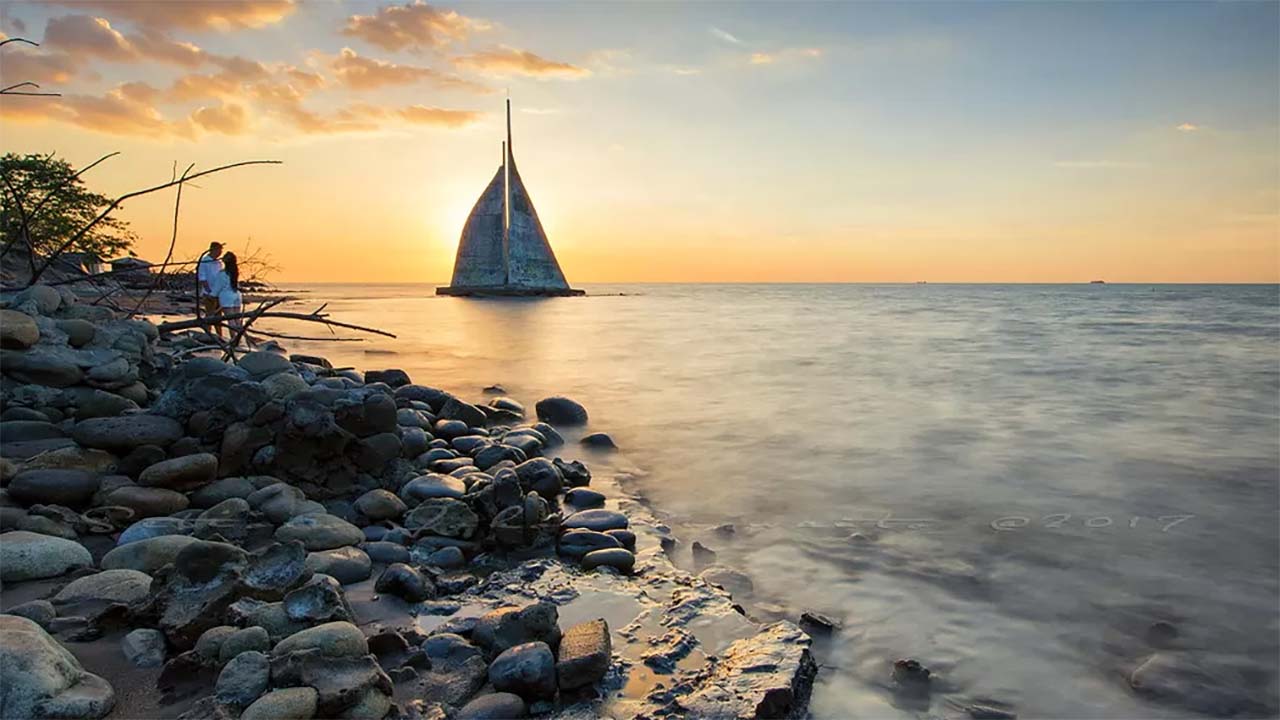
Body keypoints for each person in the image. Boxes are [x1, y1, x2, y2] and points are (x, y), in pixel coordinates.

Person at [197, 242, 224, 334]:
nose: (220, 253)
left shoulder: (218, 262)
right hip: (209, 293)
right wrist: (208, 290)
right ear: (213, 250)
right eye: (219, 250)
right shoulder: (205, 261)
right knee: (210, 314)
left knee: (218, 316)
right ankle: (207, 333)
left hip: (218, 292)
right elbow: (202, 277)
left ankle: (219, 334)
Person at [213, 251, 243, 333]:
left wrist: (212, 295)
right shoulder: (234, 272)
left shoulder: (223, 273)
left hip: (226, 297)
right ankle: (240, 336)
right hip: (236, 294)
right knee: (237, 319)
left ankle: (234, 338)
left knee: (230, 319)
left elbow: (217, 287)